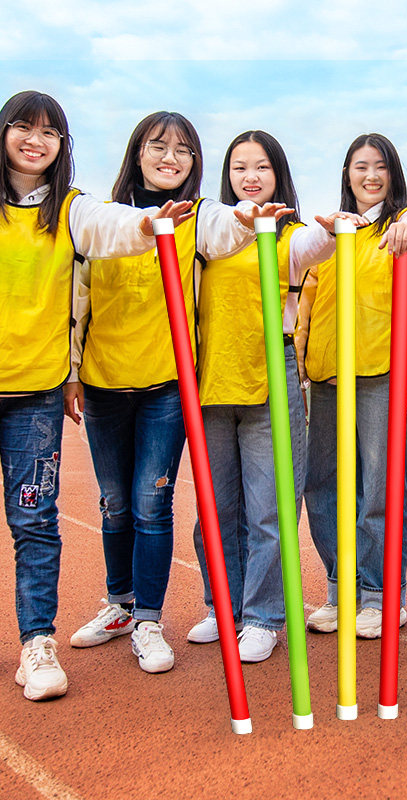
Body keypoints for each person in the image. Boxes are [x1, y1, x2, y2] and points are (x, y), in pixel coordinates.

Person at [0, 90, 192, 701]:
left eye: (50, 132)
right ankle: (115, 607)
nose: (36, 140)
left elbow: (109, 227)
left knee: (36, 520)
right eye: (24, 128)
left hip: (34, 391)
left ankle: (38, 643)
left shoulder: (74, 210)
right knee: (109, 505)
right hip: (92, 382)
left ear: (63, 147)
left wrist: (145, 223)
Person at [69, 112, 277, 674]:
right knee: (113, 505)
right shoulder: (100, 217)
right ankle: (120, 604)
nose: (170, 158)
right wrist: (70, 372)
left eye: (183, 150)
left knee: (150, 504)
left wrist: (246, 216)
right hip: (104, 380)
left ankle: (149, 620)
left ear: (195, 163)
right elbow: (79, 292)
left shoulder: (199, 215)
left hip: (167, 383)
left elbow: (226, 227)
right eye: (159, 146)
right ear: (137, 152)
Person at [186, 130, 346, 662]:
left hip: (269, 378)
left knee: (268, 510)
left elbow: (311, 247)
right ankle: (222, 607)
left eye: (260, 167)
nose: (250, 177)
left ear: (278, 175)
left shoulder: (285, 232)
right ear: (226, 176)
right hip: (210, 379)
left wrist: (331, 232)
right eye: (239, 168)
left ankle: (261, 616)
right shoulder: (210, 233)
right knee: (216, 508)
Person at [298, 133, 407, 639]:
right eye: (360, 166)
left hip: (382, 373)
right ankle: (341, 587)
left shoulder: (403, 223)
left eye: (380, 166)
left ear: (393, 175)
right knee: (323, 485)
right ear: (347, 174)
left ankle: (379, 595)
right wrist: (302, 366)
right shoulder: (328, 235)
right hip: (329, 376)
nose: (370, 175)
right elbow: (307, 307)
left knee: (379, 486)